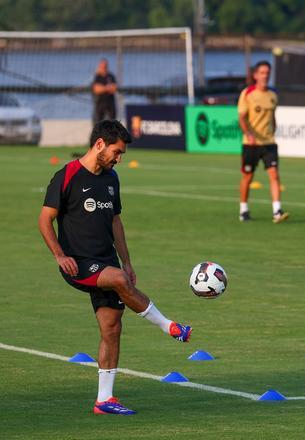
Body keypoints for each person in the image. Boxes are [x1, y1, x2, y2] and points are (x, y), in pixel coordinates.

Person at [38, 120, 192, 415]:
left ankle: (104, 400)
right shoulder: (66, 175)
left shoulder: (111, 178)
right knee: (119, 280)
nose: (119, 158)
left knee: (111, 328)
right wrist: (59, 255)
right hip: (77, 264)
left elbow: (115, 221)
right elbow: (45, 220)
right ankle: (169, 326)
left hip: (106, 260)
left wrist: (127, 260)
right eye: (116, 152)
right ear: (99, 144)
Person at [237, 60, 288, 223]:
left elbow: (273, 117)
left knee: (274, 174)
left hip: (269, 143)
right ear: (255, 75)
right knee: (247, 176)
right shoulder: (248, 93)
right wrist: (249, 134)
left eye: (268, 72)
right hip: (250, 144)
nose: (265, 76)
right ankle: (243, 209)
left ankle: (277, 211)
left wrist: (274, 129)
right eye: (262, 73)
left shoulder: (273, 95)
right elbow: (242, 118)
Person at [92, 58, 117, 124]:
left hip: (110, 104)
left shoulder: (111, 76)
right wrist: (106, 88)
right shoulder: (97, 76)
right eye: (102, 66)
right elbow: (96, 89)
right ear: (99, 66)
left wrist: (103, 88)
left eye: (105, 66)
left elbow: (114, 89)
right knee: (98, 125)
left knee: (112, 124)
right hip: (100, 103)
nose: (103, 68)